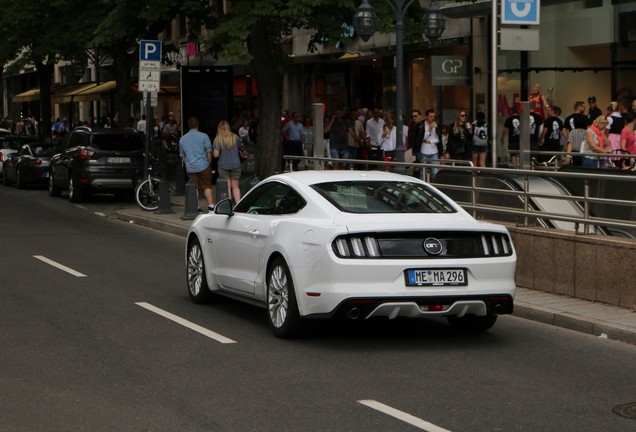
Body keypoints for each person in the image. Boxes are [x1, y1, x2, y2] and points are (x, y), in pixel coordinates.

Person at [179, 116, 215, 212]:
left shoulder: (182, 139)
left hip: (191, 167)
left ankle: (196, 207)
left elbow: (183, 156)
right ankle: (211, 205)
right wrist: (209, 162)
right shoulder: (204, 136)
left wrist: (188, 163)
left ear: (188, 125)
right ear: (197, 124)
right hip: (204, 165)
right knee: (207, 186)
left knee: (195, 188)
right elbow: (209, 152)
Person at [213, 120, 242, 204]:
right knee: (235, 186)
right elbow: (240, 147)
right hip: (236, 164)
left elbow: (216, 155)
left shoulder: (218, 139)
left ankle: (229, 205)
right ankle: (238, 204)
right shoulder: (235, 137)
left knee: (227, 186)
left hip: (223, 165)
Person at [415, 108, 442, 176]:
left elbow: (438, 139)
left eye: (434, 117)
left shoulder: (436, 125)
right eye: (431, 116)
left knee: (435, 171)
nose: (432, 118)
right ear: (426, 116)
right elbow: (420, 138)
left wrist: (430, 141)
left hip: (434, 150)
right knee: (423, 172)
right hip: (424, 150)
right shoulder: (421, 125)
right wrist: (430, 129)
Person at [563, 101, 589, 166]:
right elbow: (589, 128)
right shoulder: (585, 117)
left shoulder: (568, 118)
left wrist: (568, 138)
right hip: (584, 148)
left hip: (572, 146)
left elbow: (564, 130)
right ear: (578, 107)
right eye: (583, 107)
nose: (584, 109)